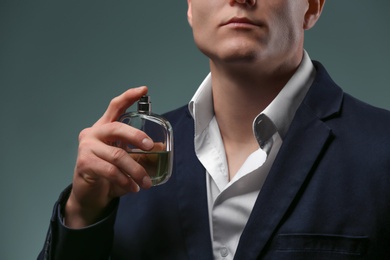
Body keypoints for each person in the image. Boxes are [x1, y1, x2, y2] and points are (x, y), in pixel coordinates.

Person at [38, 0, 390, 259]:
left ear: (312, 7)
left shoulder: (382, 150)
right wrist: (83, 215)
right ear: (190, 8)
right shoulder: (124, 163)